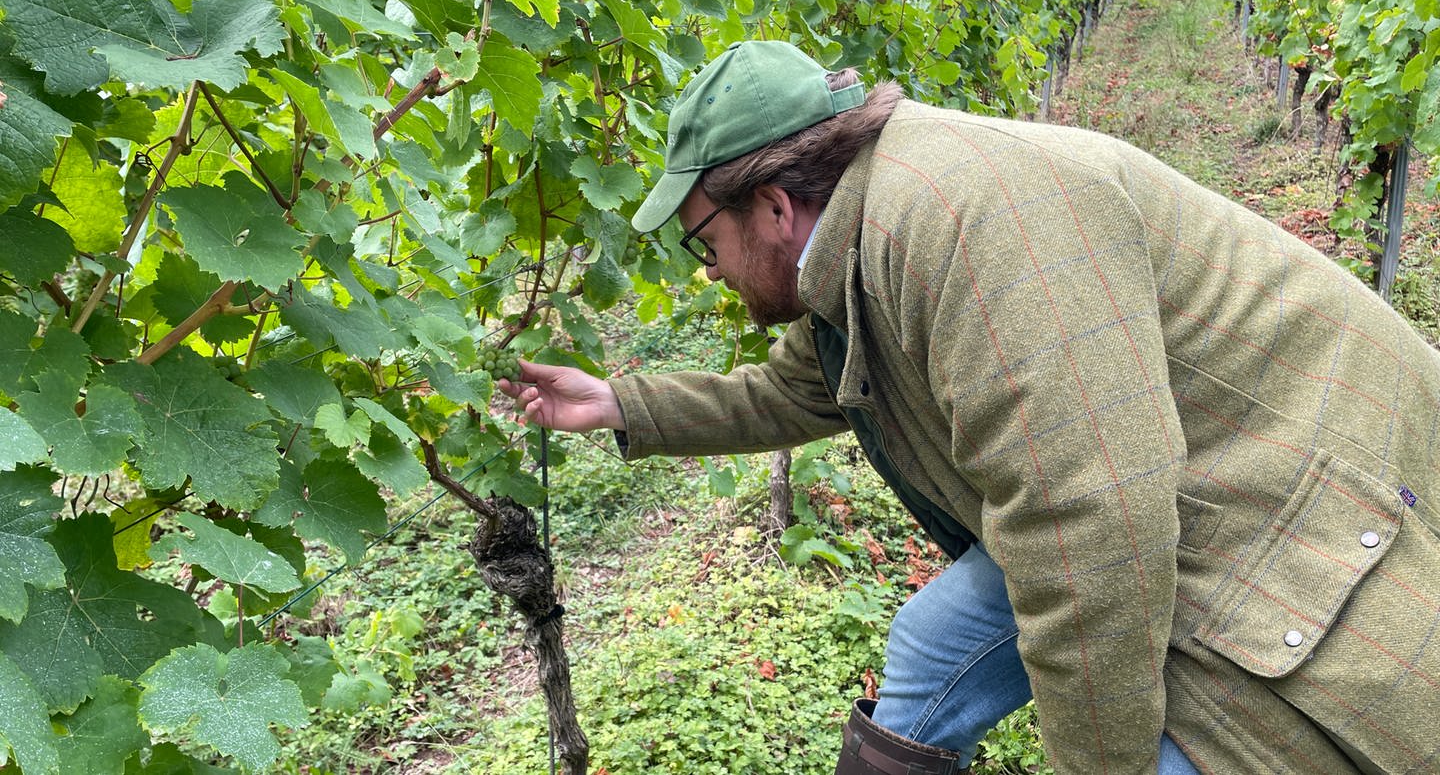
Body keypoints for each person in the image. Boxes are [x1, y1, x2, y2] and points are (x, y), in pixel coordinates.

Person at [498, 40, 1440, 774]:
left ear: (775, 206)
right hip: (1161, 470)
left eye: (705, 242)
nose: (708, 272)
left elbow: (1089, 535)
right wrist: (619, 404)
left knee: (1183, 743)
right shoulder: (861, 235)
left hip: (1283, 491)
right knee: (931, 641)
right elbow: (794, 391)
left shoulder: (964, 220)